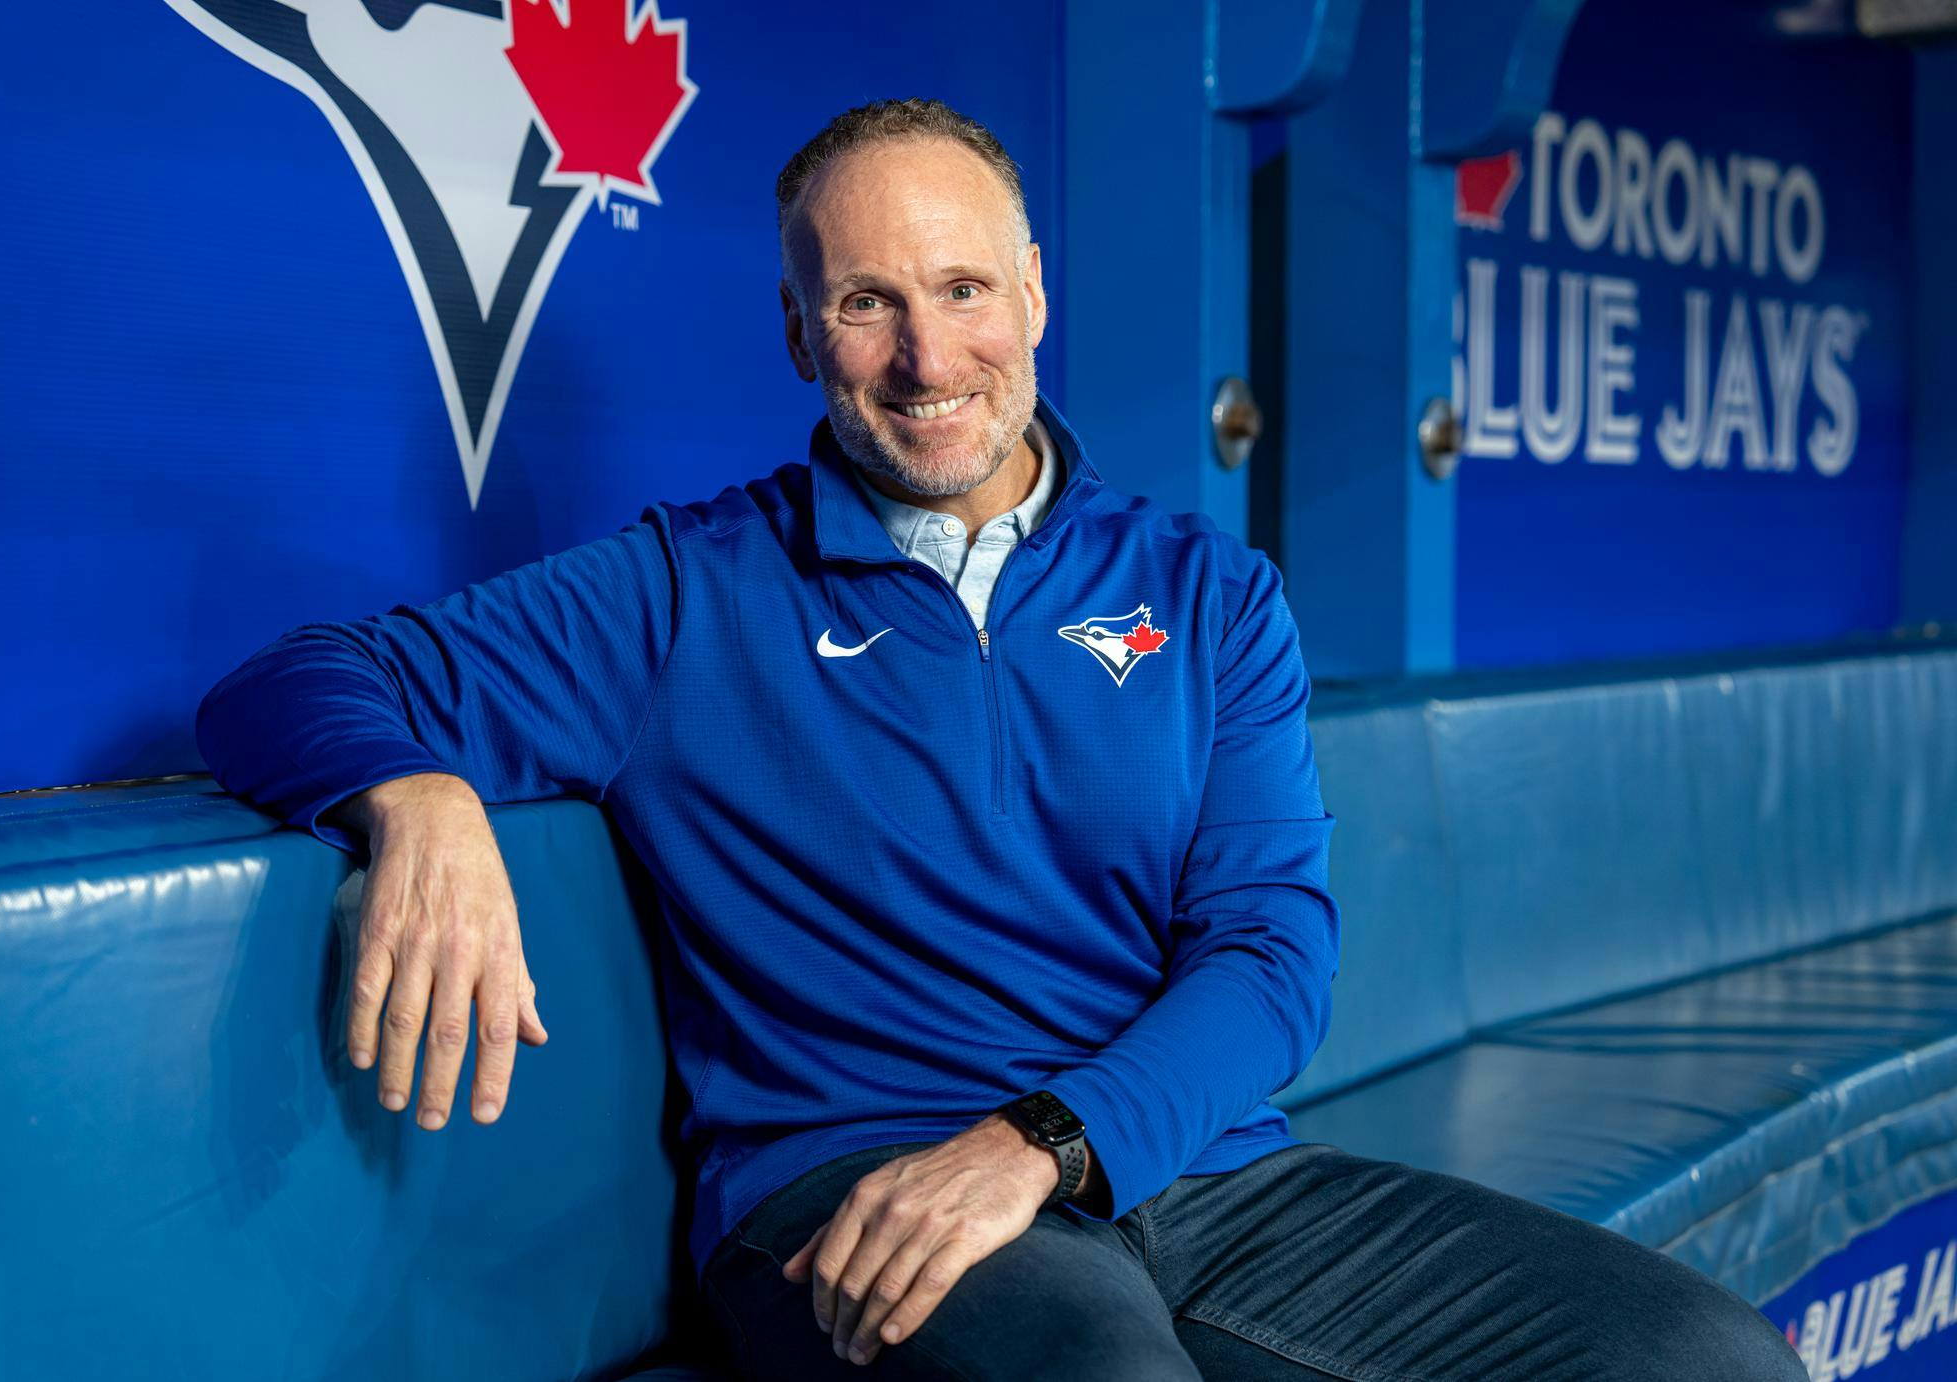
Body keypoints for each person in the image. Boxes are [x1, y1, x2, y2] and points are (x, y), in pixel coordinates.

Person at [195, 98, 1806, 1379]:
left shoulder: (1208, 589)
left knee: (1712, 1358)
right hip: (856, 1200)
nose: (927, 354)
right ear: (798, 334)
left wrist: (1046, 1142)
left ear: (1032, 293)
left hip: (1194, 1170)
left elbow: (1270, 954)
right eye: (866, 303)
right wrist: (412, 799)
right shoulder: (688, 591)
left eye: (964, 289)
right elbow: (287, 681)